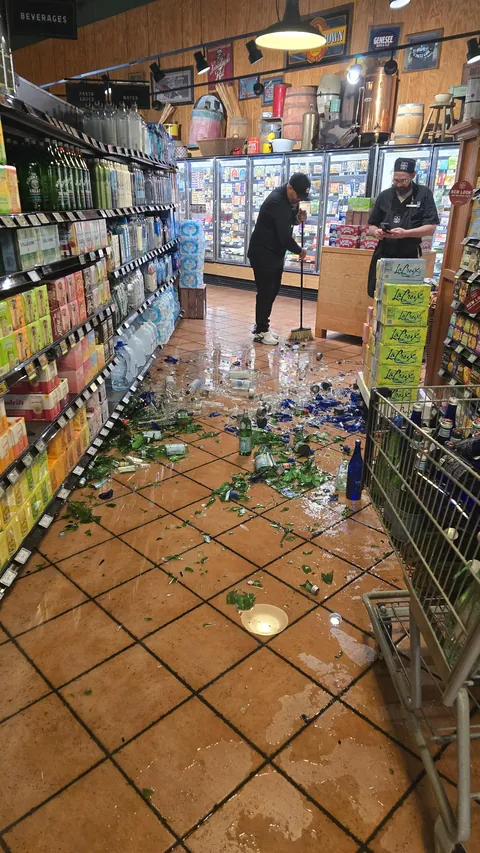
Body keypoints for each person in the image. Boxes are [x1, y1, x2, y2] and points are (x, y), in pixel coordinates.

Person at [248, 172, 310, 345]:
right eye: (298, 196)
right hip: (263, 253)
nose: (298, 201)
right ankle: (261, 331)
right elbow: (284, 236)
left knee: (273, 291)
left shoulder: (289, 201)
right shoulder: (276, 202)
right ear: (290, 188)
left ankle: (263, 326)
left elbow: (289, 221)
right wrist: (299, 251)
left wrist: (298, 219)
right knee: (266, 293)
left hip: (275, 253)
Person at [366, 157, 439, 298]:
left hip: (409, 255)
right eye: (396, 180)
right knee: (378, 294)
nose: (398, 184)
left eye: (403, 180)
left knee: (404, 295)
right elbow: (371, 225)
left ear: (413, 176)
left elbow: (430, 228)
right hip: (384, 252)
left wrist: (406, 233)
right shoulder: (385, 195)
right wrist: (376, 232)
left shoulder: (424, 194)